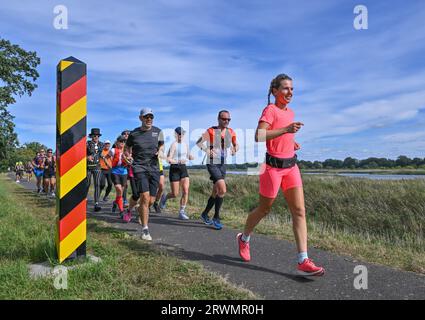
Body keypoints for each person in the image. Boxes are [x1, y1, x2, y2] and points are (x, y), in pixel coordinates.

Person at [236, 73, 324, 277]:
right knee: (264, 209)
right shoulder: (270, 110)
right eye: (285, 88)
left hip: (291, 166)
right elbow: (259, 136)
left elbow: (279, 136)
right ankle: (244, 238)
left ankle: (303, 260)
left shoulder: (291, 112)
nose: (290, 92)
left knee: (300, 211)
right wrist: (285, 130)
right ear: (275, 91)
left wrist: (290, 142)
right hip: (272, 168)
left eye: (292, 89)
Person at [125, 108, 164, 241]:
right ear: (141, 118)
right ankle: (145, 230)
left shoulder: (158, 132)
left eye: (151, 117)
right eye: (146, 117)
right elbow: (127, 147)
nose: (149, 119)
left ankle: (140, 210)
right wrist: (128, 155)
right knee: (145, 197)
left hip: (154, 168)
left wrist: (160, 151)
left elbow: (162, 145)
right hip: (139, 167)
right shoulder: (134, 133)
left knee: (151, 200)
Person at [196, 110, 239, 230]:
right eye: (224, 119)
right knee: (223, 189)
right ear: (218, 119)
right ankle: (216, 217)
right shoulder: (211, 131)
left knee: (215, 192)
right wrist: (206, 150)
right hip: (212, 163)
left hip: (222, 164)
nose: (226, 121)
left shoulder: (231, 132)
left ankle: (204, 214)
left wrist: (235, 149)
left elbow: (236, 145)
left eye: (228, 119)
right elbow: (199, 143)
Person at [160, 127, 194, 220]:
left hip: (183, 169)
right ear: (176, 135)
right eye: (179, 134)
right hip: (174, 169)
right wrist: (177, 161)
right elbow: (168, 159)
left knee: (186, 190)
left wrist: (191, 156)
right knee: (175, 194)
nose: (180, 135)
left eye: (182, 134)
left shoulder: (185, 145)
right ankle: (165, 197)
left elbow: (188, 155)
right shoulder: (173, 145)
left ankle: (182, 212)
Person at [110, 135, 132, 221]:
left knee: (120, 193)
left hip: (124, 172)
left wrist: (127, 159)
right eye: (121, 142)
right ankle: (122, 212)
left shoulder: (127, 152)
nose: (122, 143)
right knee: (119, 190)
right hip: (115, 172)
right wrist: (109, 165)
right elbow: (106, 157)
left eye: (124, 142)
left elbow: (130, 162)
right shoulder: (113, 150)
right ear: (117, 142)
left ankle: (115, 203)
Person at [87, 128, 104, 212]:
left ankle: (96, 204)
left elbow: (102, 154)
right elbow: (81, 153)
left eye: (97, 135)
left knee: (97, 184)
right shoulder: (87, 143)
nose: (96, 137)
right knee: (87, 184)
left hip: (97, 167)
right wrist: (87, 157)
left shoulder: (102, 144)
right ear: (91, 136)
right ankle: (84, 201)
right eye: (94, 135)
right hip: (88, 167)